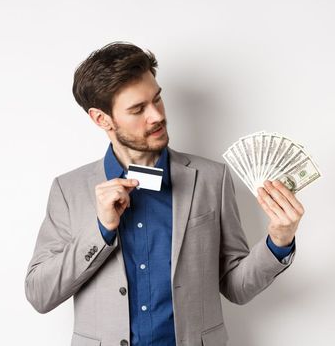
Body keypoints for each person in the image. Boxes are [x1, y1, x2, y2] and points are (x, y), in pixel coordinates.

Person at [23, 42, 304, 346]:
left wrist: (279, 239)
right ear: (102, 119)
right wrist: (100, 231)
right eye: (137, 109)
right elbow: (40, 295)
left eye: (157, 99)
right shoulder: (69, 190)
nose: (156, 116)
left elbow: (236, 287)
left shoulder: (212, 179)